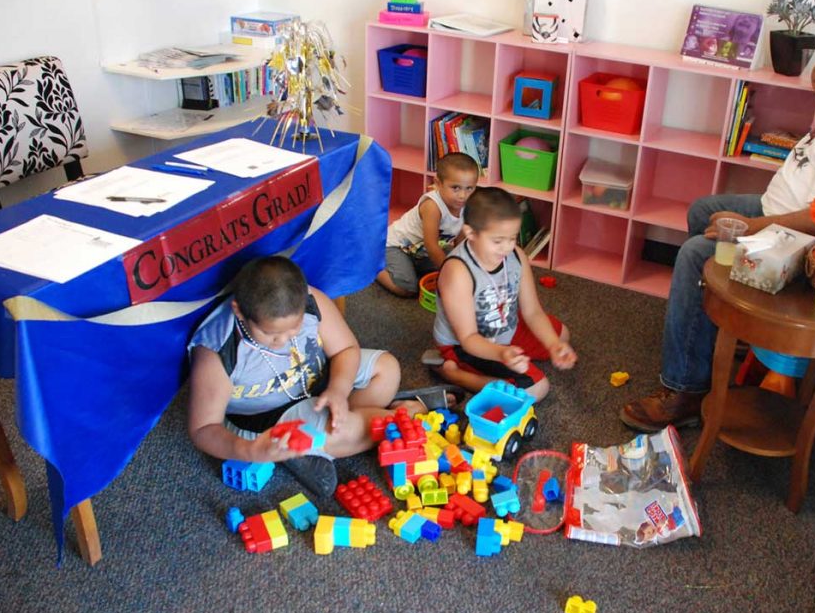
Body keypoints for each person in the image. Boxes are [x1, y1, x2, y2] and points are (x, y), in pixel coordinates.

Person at [620, 7, 815, 432]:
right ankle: (712, 327)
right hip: (781, 218)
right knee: (704, 211)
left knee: (697, 254)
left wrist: (751, 228)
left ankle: (687, 391)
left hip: (809, 251)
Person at [187, 256, 426, 497]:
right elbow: (204, 428)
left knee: (387, 368)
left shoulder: (311, 300)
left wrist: (338, 390)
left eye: (295, 328)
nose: (284, 341)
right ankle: (391, 421)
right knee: (346, 431)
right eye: (270, 334)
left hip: (315, 382)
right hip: (267, 418)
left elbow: (346, 349)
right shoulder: (217, 350)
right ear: (239, 311)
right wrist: (250, 451)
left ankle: (323, 441)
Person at [430, 187, 577, 402]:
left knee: (561, 335)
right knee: (536, 389)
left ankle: (509, 363)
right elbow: (469, 338)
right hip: (467, 344)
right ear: (470, 233)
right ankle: (456, 375)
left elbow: (533, 311)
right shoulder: (458, 272)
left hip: (506, 327)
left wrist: (554, 344)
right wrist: (501, 353)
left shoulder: (516, 255)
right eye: (497, 241)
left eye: (512, 238)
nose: (507, 248)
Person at [376, 152, 479, 297]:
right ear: (438, 183)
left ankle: (410, 267)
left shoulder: (467, 205)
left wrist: (461, 268)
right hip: (396, 247)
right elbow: (431, 246)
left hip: (420, 253)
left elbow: (460, 242)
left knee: (460, 263)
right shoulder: (432, 206)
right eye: (455, 188)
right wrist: (451, 274)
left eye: (469, 188)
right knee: (408, 289)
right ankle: (373, 267)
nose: (463, 195)